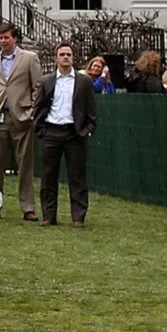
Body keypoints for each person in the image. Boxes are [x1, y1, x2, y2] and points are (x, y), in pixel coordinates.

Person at [0, 23, 42, 222]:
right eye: (0, 37)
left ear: (15, 38)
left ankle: (28, 207)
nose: (3, 41)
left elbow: (38, 88)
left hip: (22, 118)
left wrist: (31, 112)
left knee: (25, 165)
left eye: (6, 37)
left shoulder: (29, 59)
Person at [36, 48, 99, 227]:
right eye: (62, 55)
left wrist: (87, 129)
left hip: (74, 133)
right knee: (48, 176)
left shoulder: (84, 81)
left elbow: (91, 109)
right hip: (51, 131)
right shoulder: (47, 80)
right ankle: (49, 216)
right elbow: (38, 106)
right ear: (56, 58)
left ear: (73, 58)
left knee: (77, 176)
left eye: (69, 54)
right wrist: (40, 128)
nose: (65, 57)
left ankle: (78, 217)